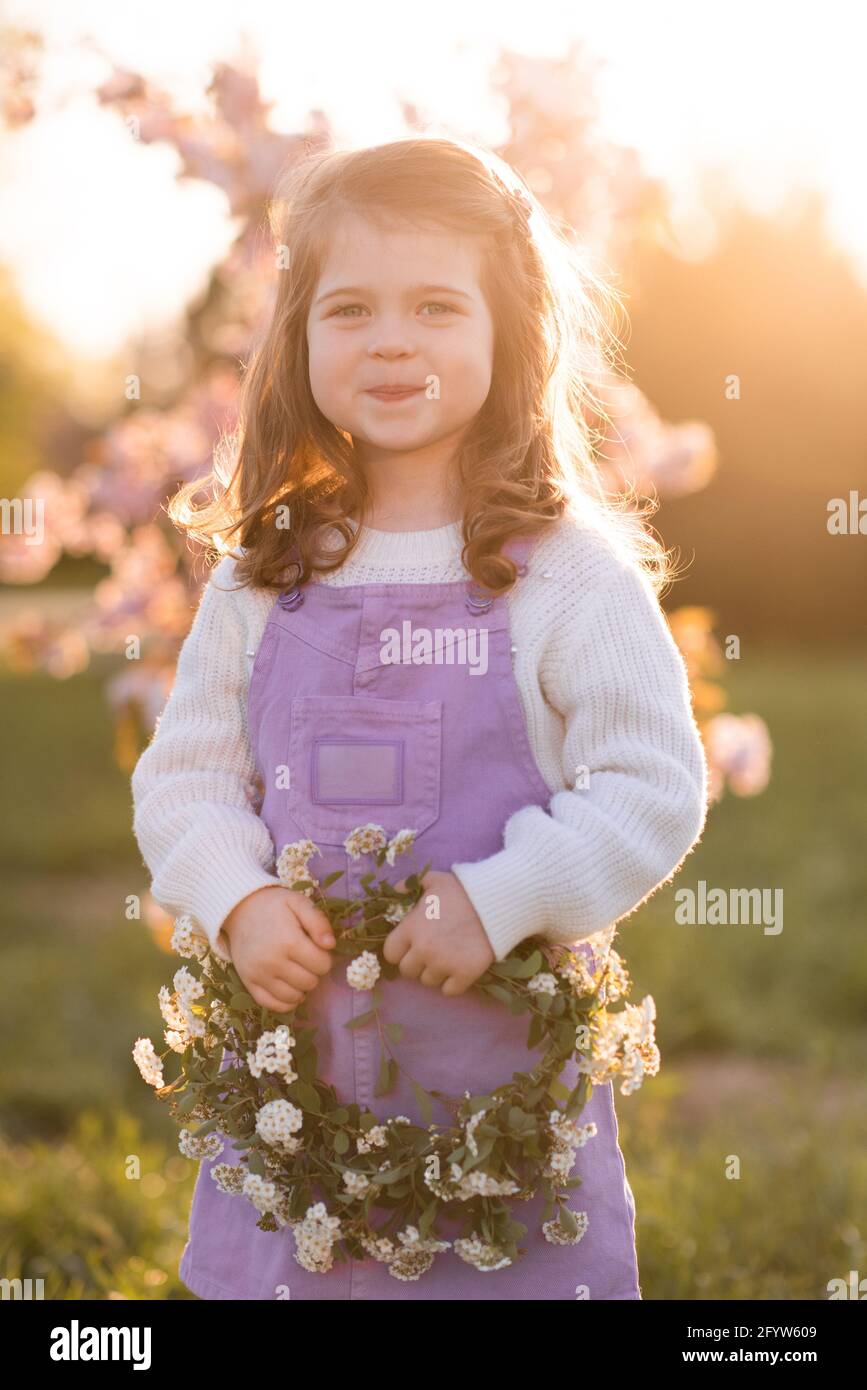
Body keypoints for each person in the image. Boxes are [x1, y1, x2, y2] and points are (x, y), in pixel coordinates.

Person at [131, 136, 709, 1300]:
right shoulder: (262, 574)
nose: (392, 339)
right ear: (299, 342)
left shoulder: (563, 574)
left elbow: (652, 783)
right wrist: (238, 899)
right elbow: (182, 779)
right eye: (350, 309)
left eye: (438, 306)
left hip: (492, 1094)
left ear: (511, 333)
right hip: (296, 1093)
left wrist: (503, 899)